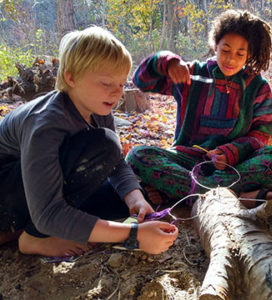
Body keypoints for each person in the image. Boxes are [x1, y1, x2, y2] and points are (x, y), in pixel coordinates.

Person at [0, 26, 178, 257]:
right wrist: (134, 235)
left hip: (39, 189)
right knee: (104, 145)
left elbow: (116, 165)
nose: (116, 93)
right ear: (71, 77)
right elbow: (49, 209)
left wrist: (136, 198)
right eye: (106, 84)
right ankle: (33, 236)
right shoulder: (45, 124)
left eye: (121, 84)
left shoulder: (98, 107)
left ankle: (21, 230)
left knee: (121, 198)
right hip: (7, 190)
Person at [126, 10, 272, 211]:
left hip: (236, 166)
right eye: (225, 50)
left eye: (240, 54)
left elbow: (263, 134)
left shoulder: (258, 86)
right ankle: (240, 195)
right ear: (215, 45)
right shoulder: (191, 74)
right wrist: (167, 61)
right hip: (186, 162)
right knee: (137, 156)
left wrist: (232, 152)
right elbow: (141, 81)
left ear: (249, 55)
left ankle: (184, 192)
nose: (231, 59)